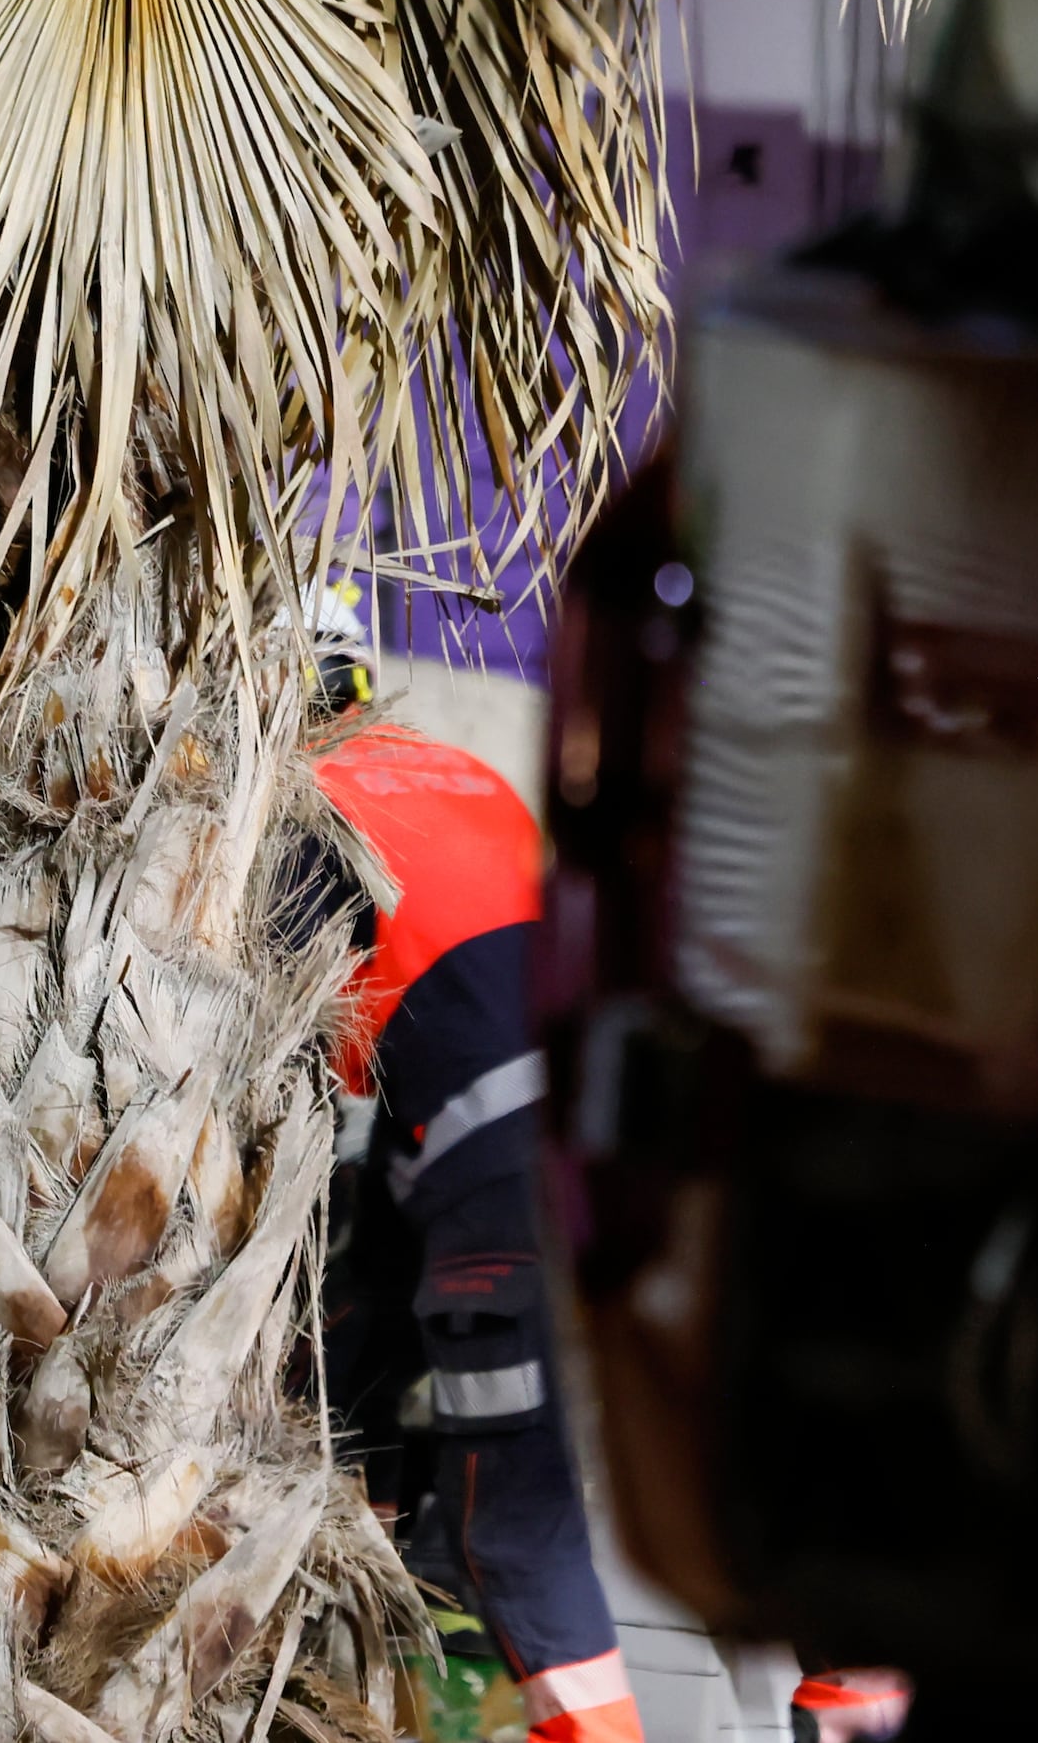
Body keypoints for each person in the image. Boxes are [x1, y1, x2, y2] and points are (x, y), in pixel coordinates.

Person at [307, 642, 637, 1743]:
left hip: (492, 1173)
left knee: (517, 1528)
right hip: (601, 1131)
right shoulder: (470, 777)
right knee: (350, 1351)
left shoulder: (302, 815)